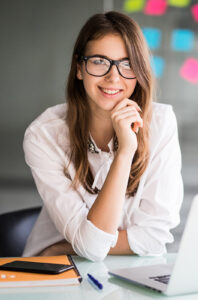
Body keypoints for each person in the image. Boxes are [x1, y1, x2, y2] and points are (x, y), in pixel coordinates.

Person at [22, 11, 183, 261]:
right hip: (57, 270)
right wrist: (124, 153)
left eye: (127, 63)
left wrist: (63, 246)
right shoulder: (44, 135)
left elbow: (155, 237)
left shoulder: (161, 123)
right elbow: (92, 248)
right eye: (99, 61)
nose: (114, 77)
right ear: (79, 68)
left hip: (127, 268)